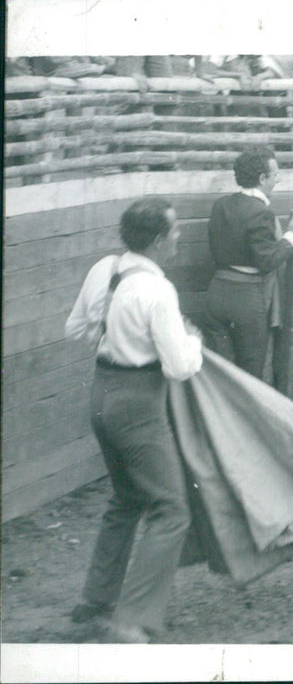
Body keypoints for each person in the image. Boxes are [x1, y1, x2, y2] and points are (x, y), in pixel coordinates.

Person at [65, 199, 203, 643]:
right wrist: (193, 341)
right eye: (175, 231)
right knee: (172, 509)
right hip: (139, 404)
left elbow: (77, 329)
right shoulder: (159, 291)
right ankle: (133, 618)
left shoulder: (106, 269)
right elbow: (180, 367)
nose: (179, 237)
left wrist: (117, 331)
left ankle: (95, 601)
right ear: (159, 240)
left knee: (126, 499)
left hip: (102, 394)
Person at [204, 149, 293, 386]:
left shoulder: (221, 205)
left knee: (218, 372)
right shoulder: (261, 212)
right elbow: (267, 262)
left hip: (216, 292)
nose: (279, 179)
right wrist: (291, 237)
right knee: (250, 375)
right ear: (263, 179)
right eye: (275, 174)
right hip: (246, 300)